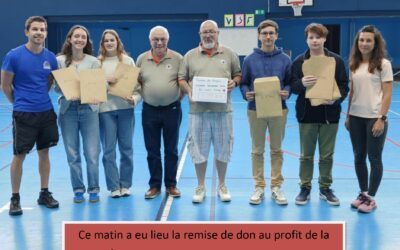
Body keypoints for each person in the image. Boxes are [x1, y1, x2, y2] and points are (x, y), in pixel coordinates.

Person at [1, 16, 59, 216]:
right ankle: (15, 198)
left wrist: (39, 98)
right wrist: (19, 103)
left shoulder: (50, 57)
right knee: (19, 156)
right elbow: (6, 85)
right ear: (27, 31)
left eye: (42, 30)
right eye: (35, 29)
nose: (39, 33)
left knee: (45, 153)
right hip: (24, 114)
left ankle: (44, 193)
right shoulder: (14, 56)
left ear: (46, 33)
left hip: (46, 112)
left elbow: (50, 82)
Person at [178, 20, 242, 203]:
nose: (208, 35)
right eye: (204, 32)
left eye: (211, 32)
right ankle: (200, 186)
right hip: (198, 111)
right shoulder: (190, 56)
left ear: (218, 33)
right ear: (200, 34)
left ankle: (222, 185)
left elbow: (238, 74)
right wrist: (189, 90)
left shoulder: (229, 54)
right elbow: (182, 78)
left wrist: (234, 82)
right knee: (198, 149)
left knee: (223, 148)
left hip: (223, 111)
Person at [290, 23, 349, 206]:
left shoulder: (336, 61)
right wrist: (302, 83)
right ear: (307, 40)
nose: (314, 41)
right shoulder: (299, 61)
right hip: (307, 115)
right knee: (306, 155)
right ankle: (305, 187)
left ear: (324, 39)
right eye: (311, 37)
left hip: (329, 115)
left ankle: (325, 188)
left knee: (326, 156)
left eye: (318, 37)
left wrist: (335, 99)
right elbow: (292, 86)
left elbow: (343, 85)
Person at [240, 20, 291, 205]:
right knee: (257, 150)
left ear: (276, 35)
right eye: (265, 33)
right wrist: (247, 93)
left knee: (277, 149)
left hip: (279, 110)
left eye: (271, 33)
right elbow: (244, 82)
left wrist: (287, 91)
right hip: (255, 111)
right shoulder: (249, 59)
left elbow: (288, 82)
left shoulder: (285, 59)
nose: (268, 37)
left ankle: (276, 186)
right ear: (259, 35)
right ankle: (259, 186)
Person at [346, 25, 393, 213]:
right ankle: (363, 193)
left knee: (374, 158)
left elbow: (388, 94)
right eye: (361, 40)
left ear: (375, 43)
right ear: (357, 43)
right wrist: (348, 115)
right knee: (358, 157)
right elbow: (352, 92)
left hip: (374, 117)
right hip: (356, 117)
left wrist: (382, 118)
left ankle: (371, 198)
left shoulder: (384, 64)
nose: (364, 44)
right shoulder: (353, 64)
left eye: (368, 40)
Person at [56, 25, 101, 203]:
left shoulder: (93, 62)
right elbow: (56, 86)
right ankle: (78, 189)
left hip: (89, 110)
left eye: (83, 37)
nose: (80, 39)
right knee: (72, 153)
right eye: (76, 36)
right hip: (68, 110)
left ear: (86, 41)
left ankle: (94, 189)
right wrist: (66, 92)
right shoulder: (59, 61)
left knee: (91, 153)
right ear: (70, 39)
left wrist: (97, 94)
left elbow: (100, 86)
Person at [137, 26, 183, 199]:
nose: (159, 42)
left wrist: (177, 97)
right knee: (152, 150)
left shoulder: (178, 58)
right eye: (155, 39)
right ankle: (154, 185)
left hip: (172, 109)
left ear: (167, 40)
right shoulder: (142, 59)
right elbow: (137, 82)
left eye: (162, 39)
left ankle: (171, 185)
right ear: (150, 41)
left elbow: (183, 81)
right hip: (149, 110)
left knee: (171, 149)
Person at [98, 29, 141, 198]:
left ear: (118, 42)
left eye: (112, 40)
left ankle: (126, 185)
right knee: (108, 151)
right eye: (106, 40)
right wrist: (107, 83)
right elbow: (92, 88)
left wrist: (135, 99)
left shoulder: (128, 61)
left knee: (126, 149)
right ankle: (114, 186)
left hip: (125, 110)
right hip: (105, 111)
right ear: (102, 44)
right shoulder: (97, 63)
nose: (109, 43)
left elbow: (138, 88)